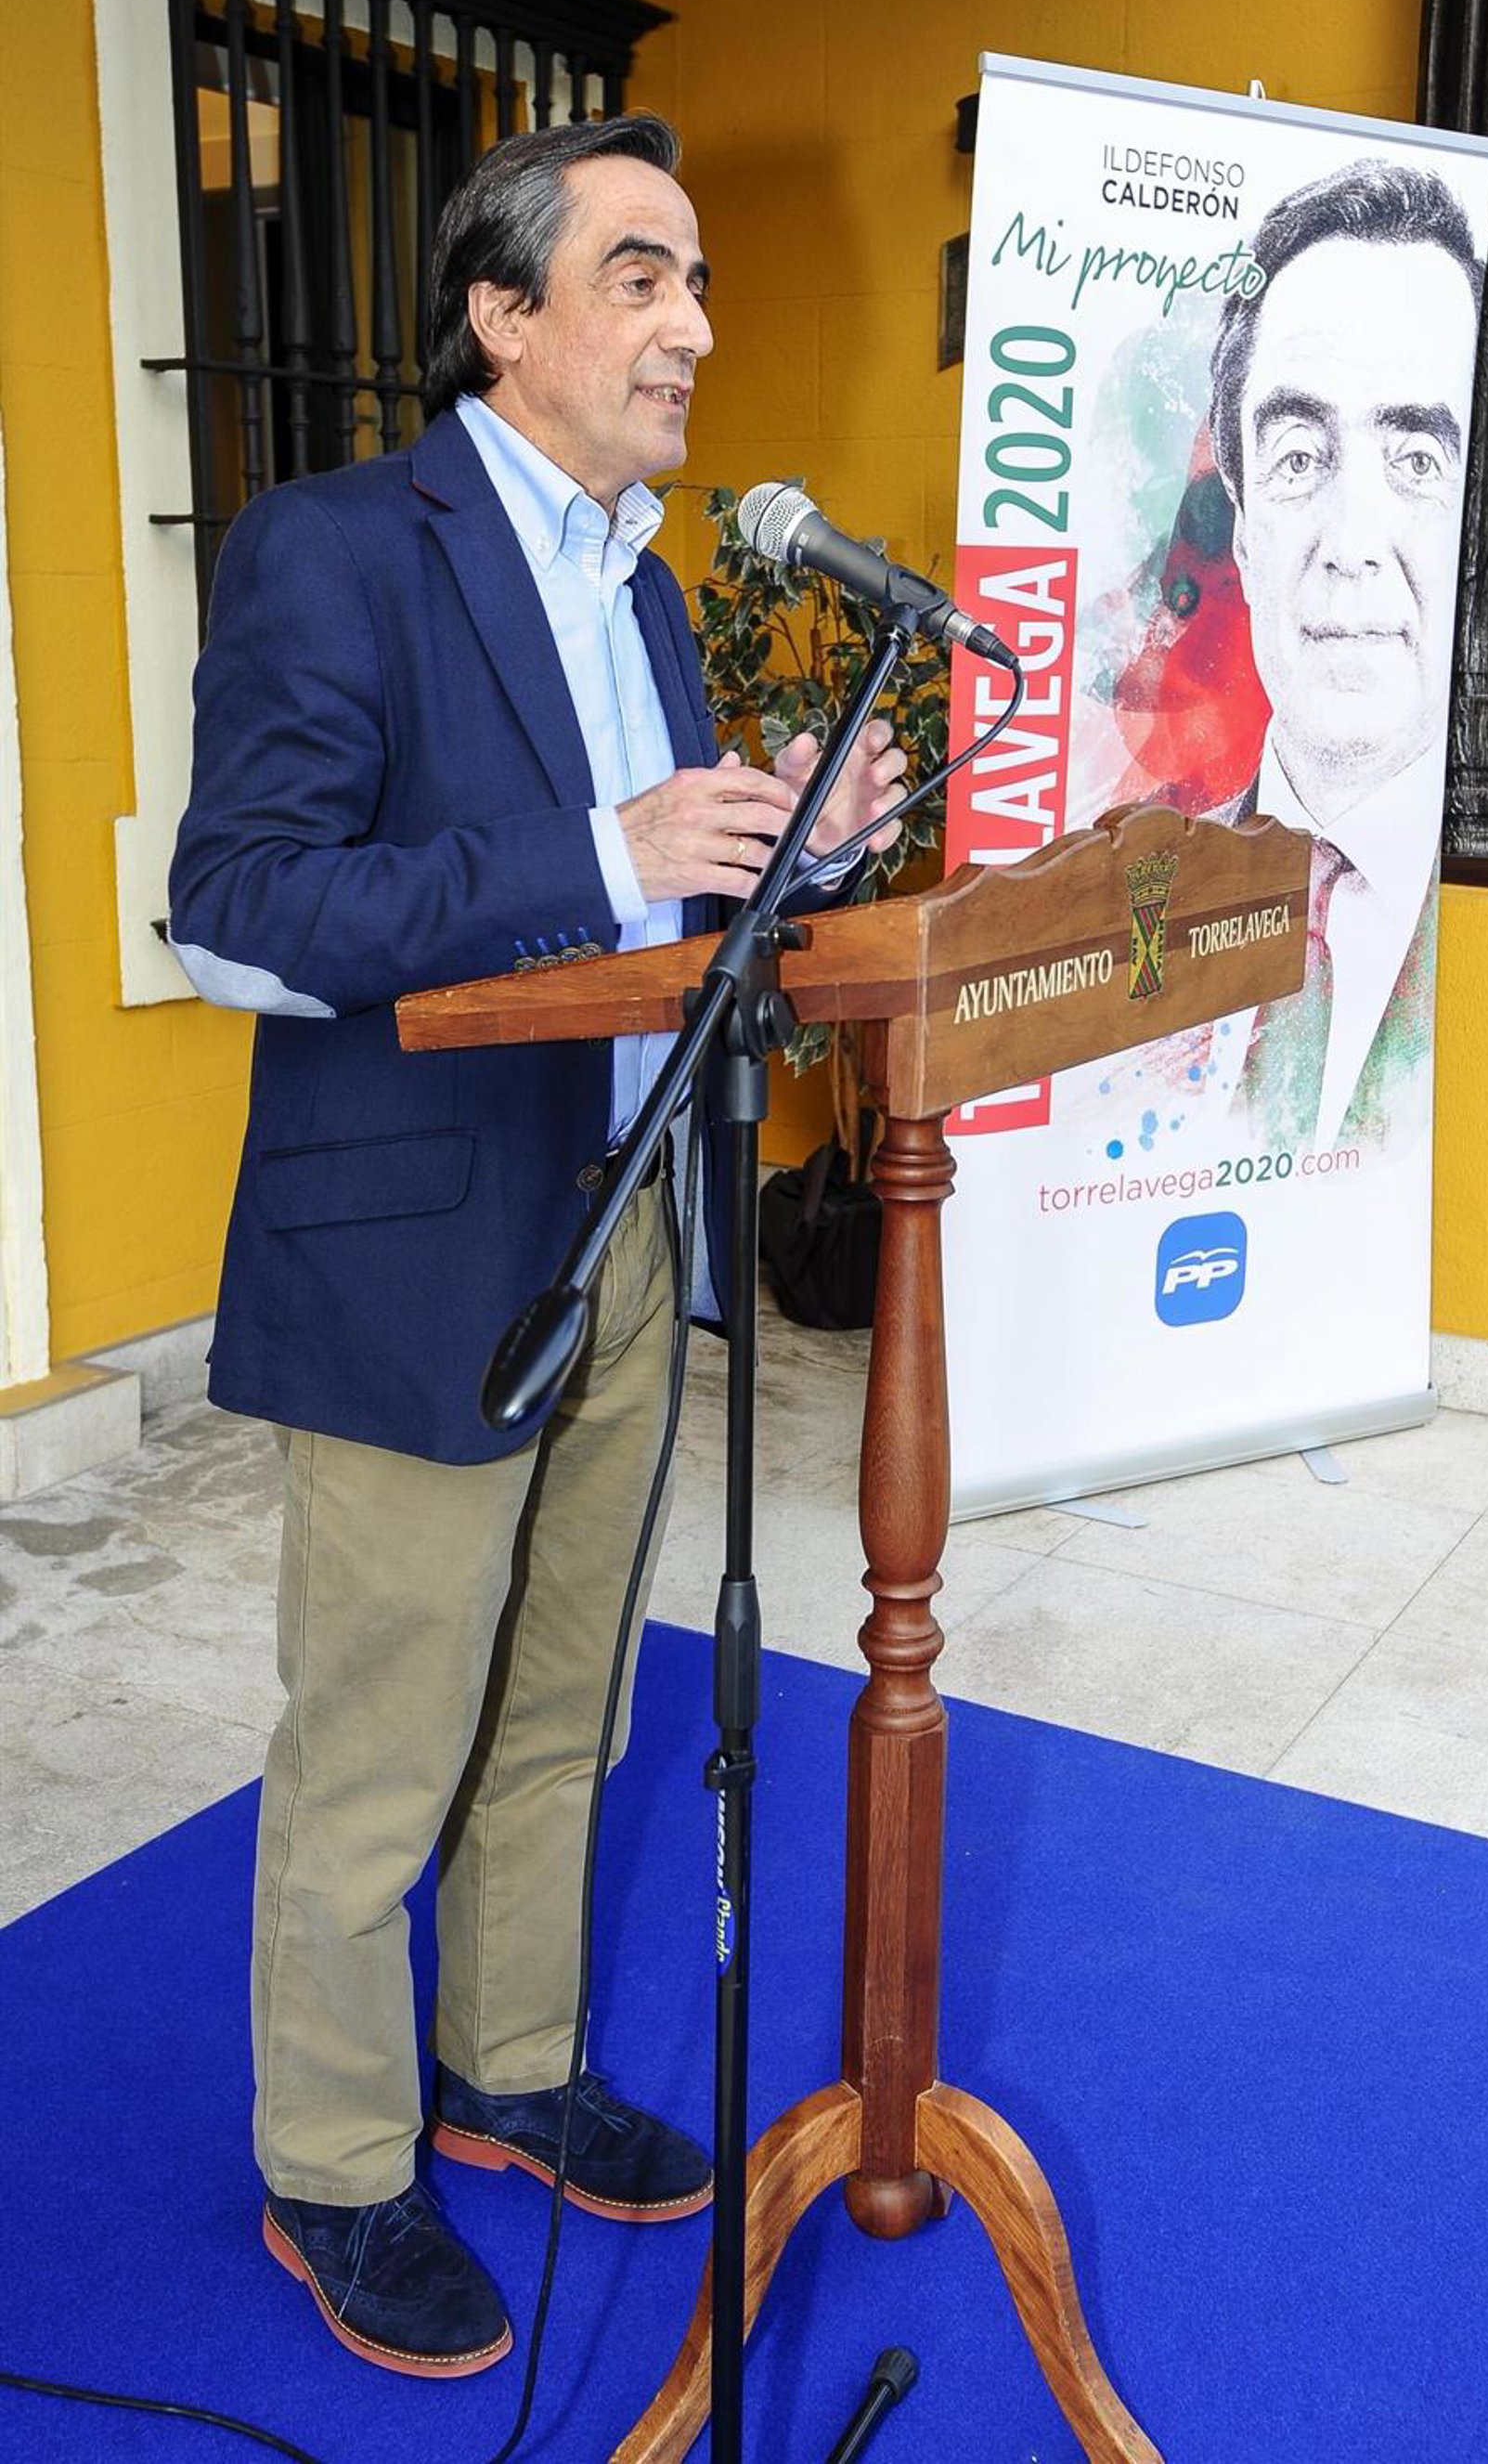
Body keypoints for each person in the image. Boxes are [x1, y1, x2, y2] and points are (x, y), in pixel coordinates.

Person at [168, 114, 904, 2377]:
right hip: (419, 1248)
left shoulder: (646, 589)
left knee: (566, 1706)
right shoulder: (334, 547)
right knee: (380, 1742)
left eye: (696, 283)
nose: (695, 326)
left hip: (624, 1227)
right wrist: (614, 840)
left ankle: (505, 2061)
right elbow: (239, 912)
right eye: (641, 276)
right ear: (504, 316)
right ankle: (336, 2161)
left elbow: (650, 915)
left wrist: (788, 849)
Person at [1203, 157, 1484, 1148]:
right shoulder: (1128, 895)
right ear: (1243, 530)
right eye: (1298, 456)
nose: (1352, 542)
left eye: (1417, 460)